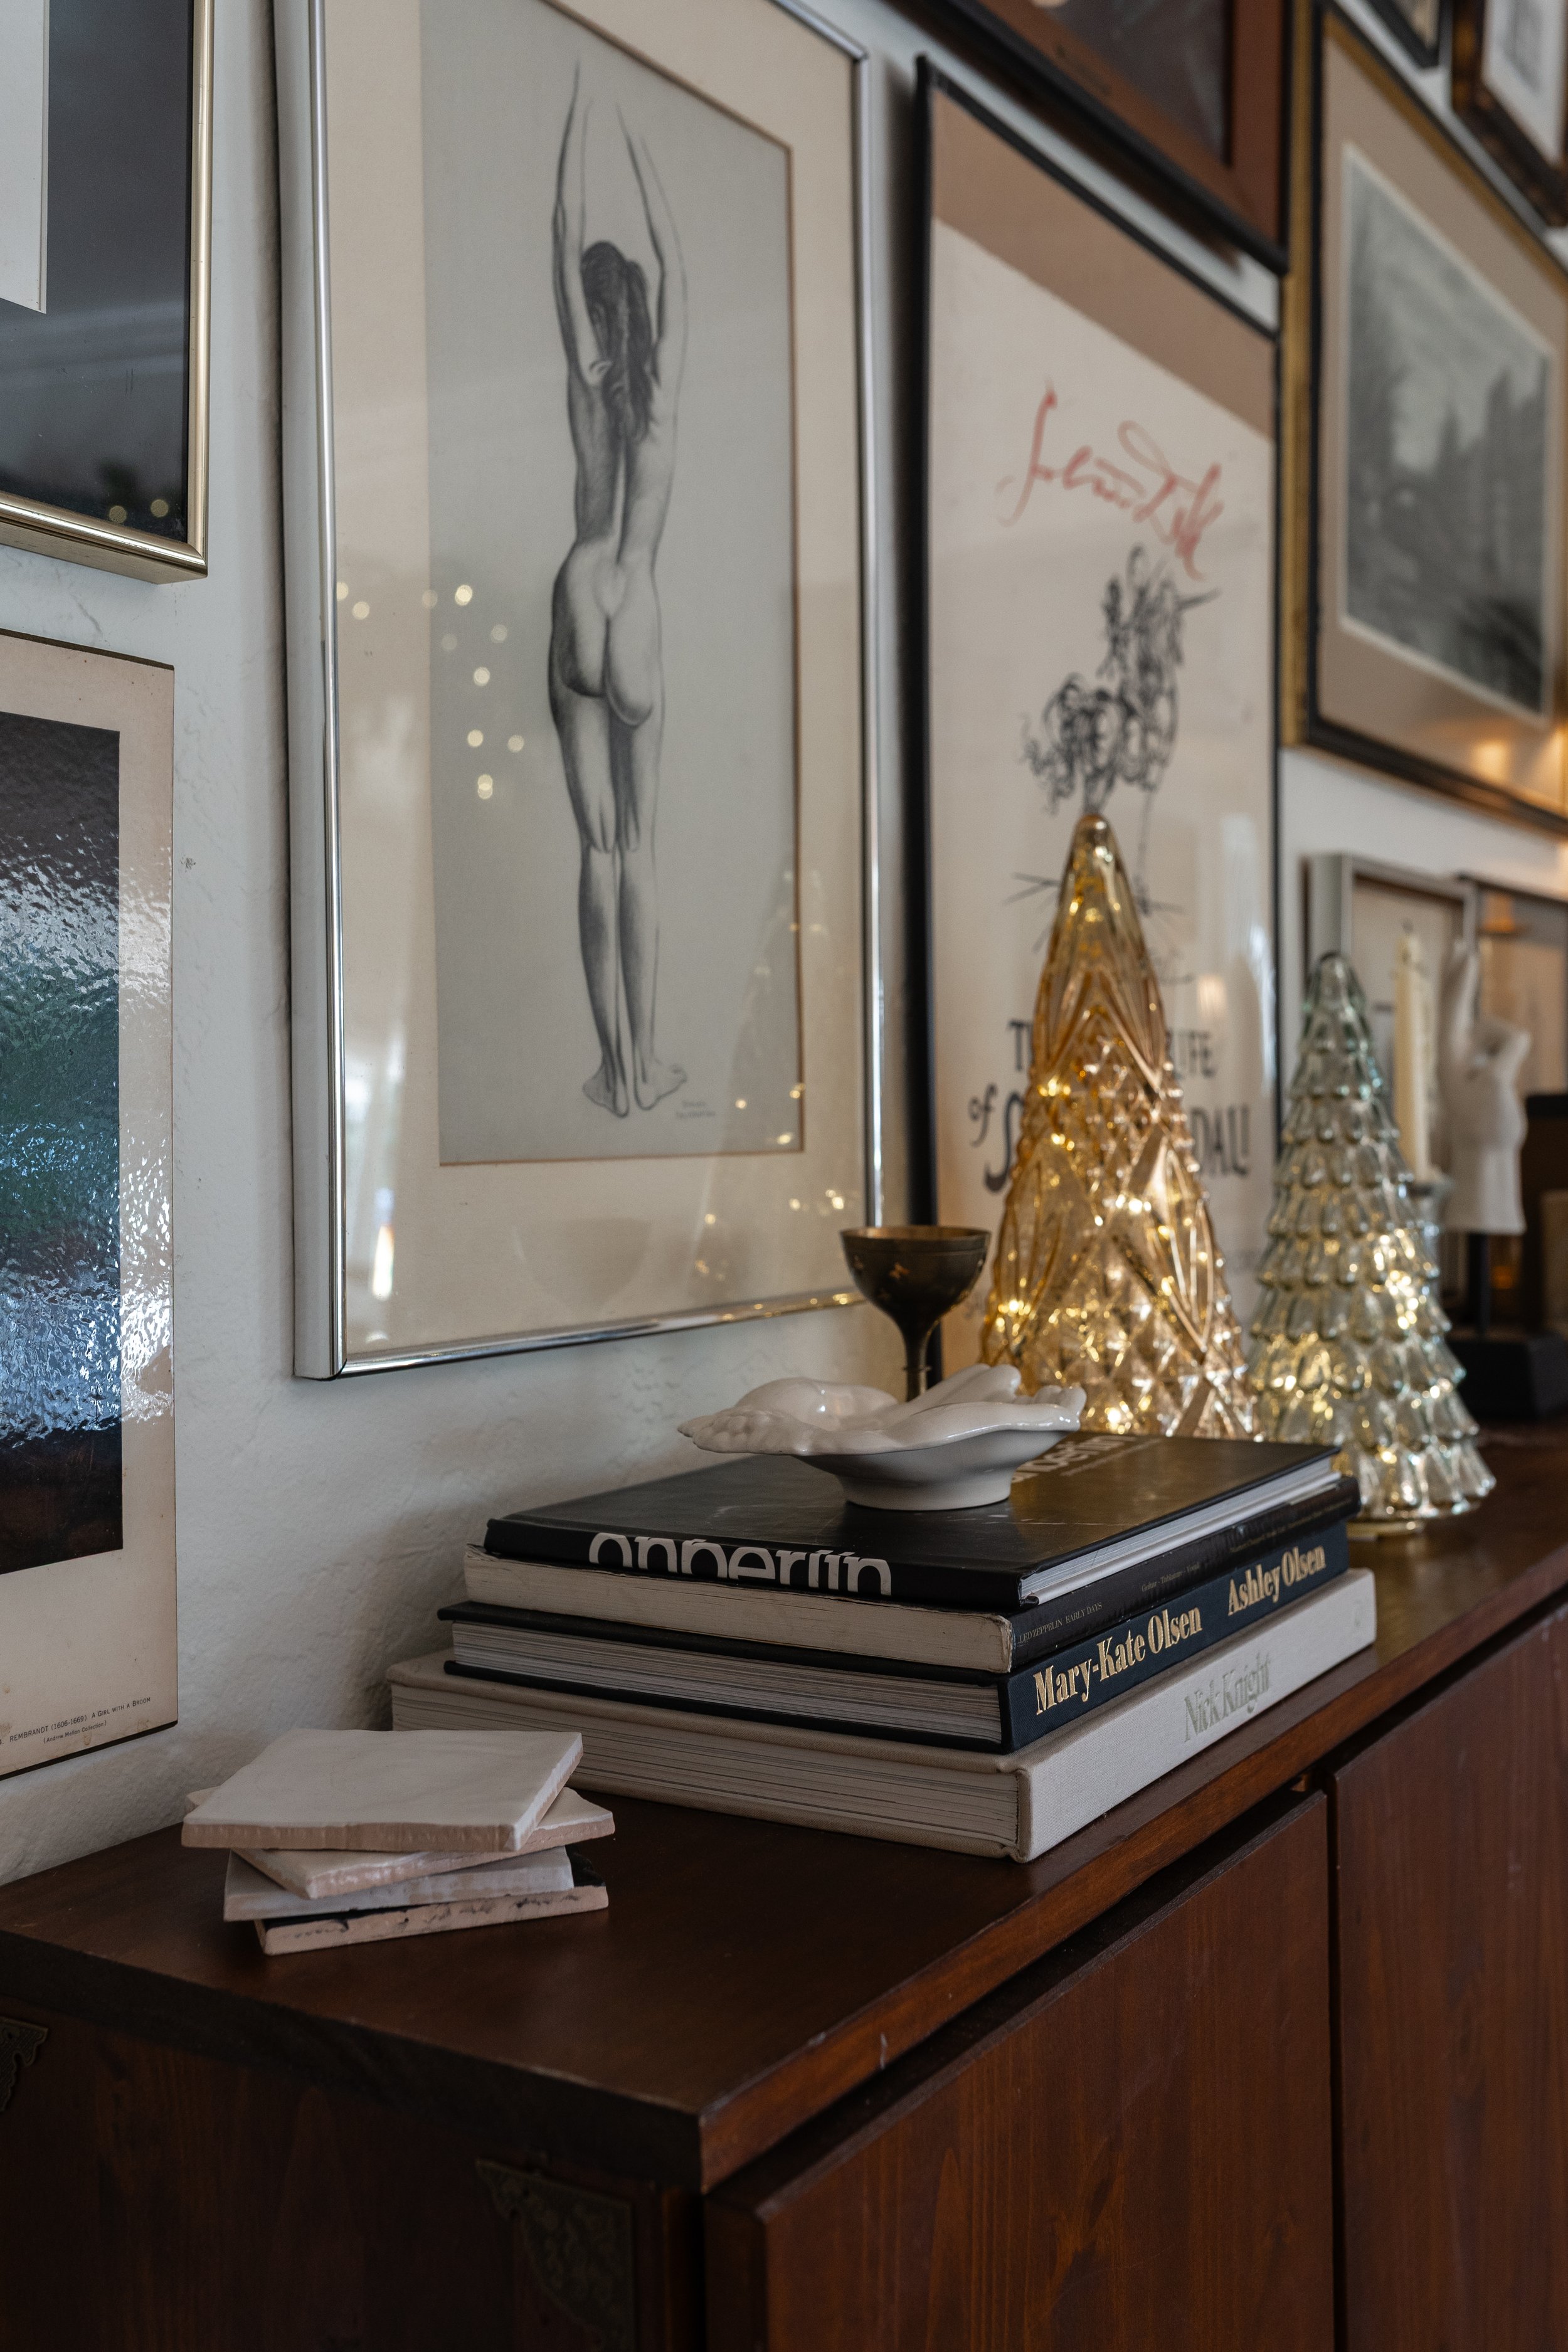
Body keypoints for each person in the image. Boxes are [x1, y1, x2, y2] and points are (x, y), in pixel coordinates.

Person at [549, 72, 687, 1116]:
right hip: (636, 596)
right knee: (641, 846)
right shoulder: (660, 398)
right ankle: (646, 1064)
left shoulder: (586, 381)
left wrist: (579, 115)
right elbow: (676, 256)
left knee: (594, 847)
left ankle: (612, 1072)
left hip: (578, 582)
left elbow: (561, 232)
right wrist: (637, 138)